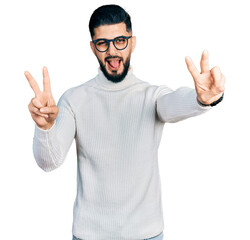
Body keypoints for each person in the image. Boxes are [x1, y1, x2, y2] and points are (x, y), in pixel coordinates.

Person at [24, 4, 225, 240]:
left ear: (133, 42)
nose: (112, 50)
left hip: (146, 235)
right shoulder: (74, 99)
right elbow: (49, 162)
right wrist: (44, 128)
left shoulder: (152, 96)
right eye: (103, 43)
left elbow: (174, 103)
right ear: (93, 47)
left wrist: (203, 99)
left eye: (120, 40)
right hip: (89, 236)